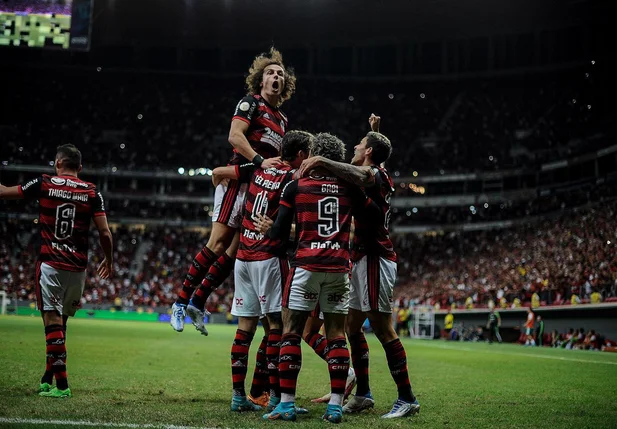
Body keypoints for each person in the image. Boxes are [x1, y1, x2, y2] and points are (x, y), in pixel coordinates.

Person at [295, 115, 420, 419]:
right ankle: (363, 392)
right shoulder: (376, 168)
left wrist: (322, 159)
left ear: (367, 153)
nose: (354, 145)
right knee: (350, 327)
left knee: (382, 328)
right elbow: (373, 159)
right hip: (361, 259)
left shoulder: (375, 174)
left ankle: (407, 398)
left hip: (377, 258)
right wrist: (375, 133)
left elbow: (365, 173)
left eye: (360, 144)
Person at [255, 133, 380, 423]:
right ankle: (335, 406)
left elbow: (277, 236)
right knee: (336, 335)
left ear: (312, 154)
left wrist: (269, 229)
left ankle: (286, 404)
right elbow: (373, 216)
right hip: (338, 267)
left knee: (292, 332)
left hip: (306, 267)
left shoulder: (296, 186)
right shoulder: (350, 188)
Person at [170, 47, 296, 334]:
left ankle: (198, 301)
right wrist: (260, 162)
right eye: (270, 73)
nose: (275, 76)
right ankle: (179, 302)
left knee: (236, 251)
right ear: (260, 81)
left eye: (280, 73)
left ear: (285, 83)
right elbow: (234, 137)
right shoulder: (250, 103)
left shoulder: (283, 119)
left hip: (256, 188)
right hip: (238, 183)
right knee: (217, 244)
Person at [0, 144, 113, 398]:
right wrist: (109, 259)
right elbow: (104, 232)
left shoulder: (44, 183)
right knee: (60, 326)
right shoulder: (92, 191)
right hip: (78, 268)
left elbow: (6, 192)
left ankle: (62, 386)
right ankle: (47, 378)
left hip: (51, 263)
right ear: (80, 168)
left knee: (51, 324)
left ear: (57, 163)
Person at [210, 130, 312, 412]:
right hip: (268, 257)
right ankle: (278, 399)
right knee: (277, 329)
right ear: (302, 154)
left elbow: (222, 172)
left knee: (245, 329)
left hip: (243, 256)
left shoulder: (259, 168)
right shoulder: (293, 178)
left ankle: (238, 397)